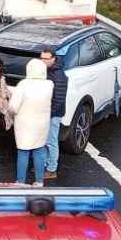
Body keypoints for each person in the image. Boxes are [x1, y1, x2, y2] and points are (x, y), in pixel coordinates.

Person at [8, 58, 54, 186]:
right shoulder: (49, 84)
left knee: (23, 151)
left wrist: (10, 114)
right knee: (39, 151)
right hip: (42, 124)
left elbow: (13, 107)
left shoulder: (23, 85)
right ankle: (39, 181)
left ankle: (21, 182)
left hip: (24, 124)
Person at [41, 49, 68, 180]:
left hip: (53, 114)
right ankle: (46, 165)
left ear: (53, 59)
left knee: (51, 141)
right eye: (42, 58)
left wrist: (48, 114)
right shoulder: (49, 70)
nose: (43, 61)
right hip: (47, 113)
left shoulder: (58, 75)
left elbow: (58, 99)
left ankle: (52, 169)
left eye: (46, 59)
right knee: (46, 141)